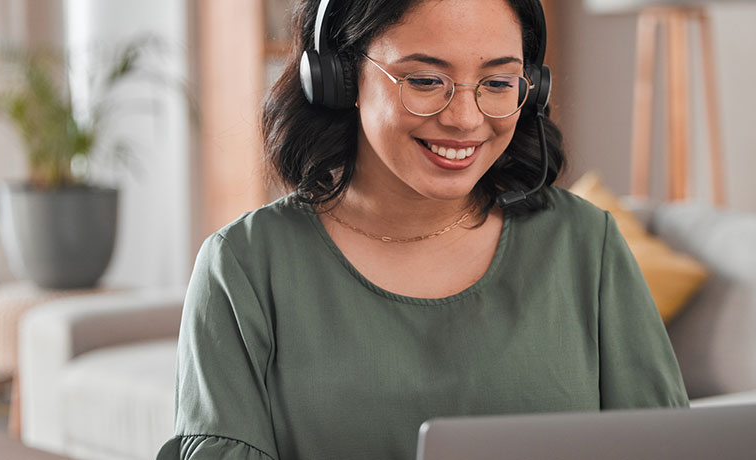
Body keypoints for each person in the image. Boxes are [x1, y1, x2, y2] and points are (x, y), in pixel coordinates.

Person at [156, 0, 688, 458]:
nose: (464, 118)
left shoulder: (585, 246)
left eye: (498, 82)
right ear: (341, 79)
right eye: (426, 80)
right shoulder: (244, 266)